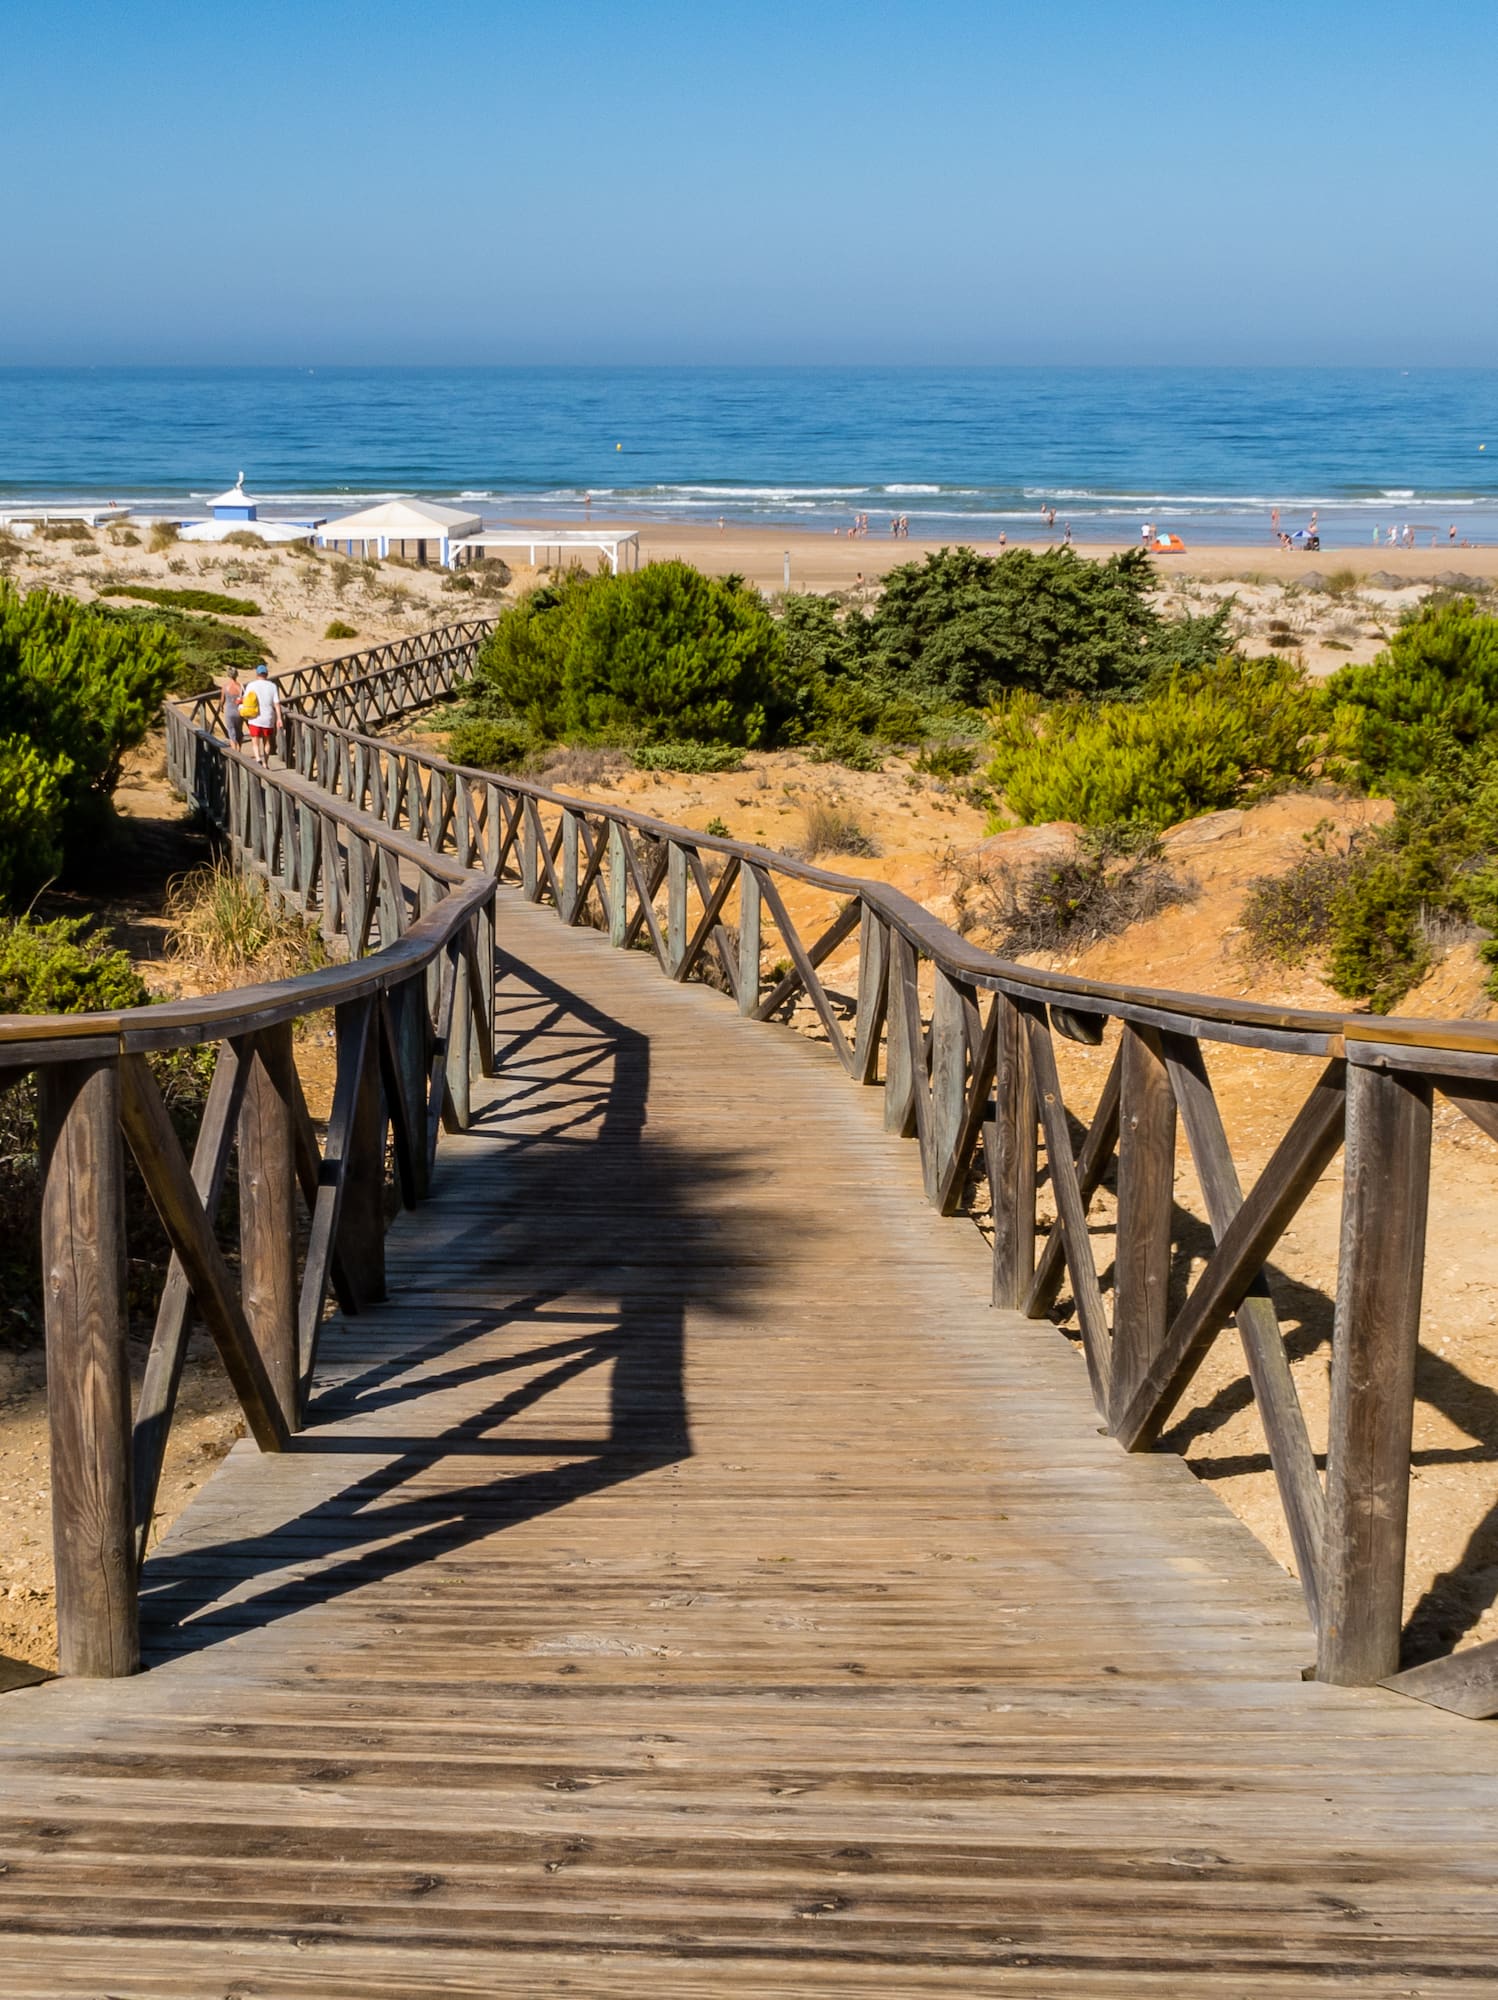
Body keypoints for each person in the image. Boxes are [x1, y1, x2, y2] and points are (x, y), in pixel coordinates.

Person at [241, 663, 281, 767]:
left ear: (257, 674)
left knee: (255, 740)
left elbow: (245, 700)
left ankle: (258, 758)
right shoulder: (272, 686)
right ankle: (265, 762)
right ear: (266, 674)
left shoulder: (251, 685)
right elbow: (276, 703)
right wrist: (279, 718)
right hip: (268, 718)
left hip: (255, 717)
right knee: (267, 741)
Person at [220, 669, 244, 749]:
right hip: (239, 712)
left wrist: (221, 707)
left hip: (229, 711)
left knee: (231, 731)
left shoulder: (225, 686)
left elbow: (222, 700)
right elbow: (244, 698)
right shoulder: (240, 686)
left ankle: (234, 749)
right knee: (239, 731)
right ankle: (239, 750)